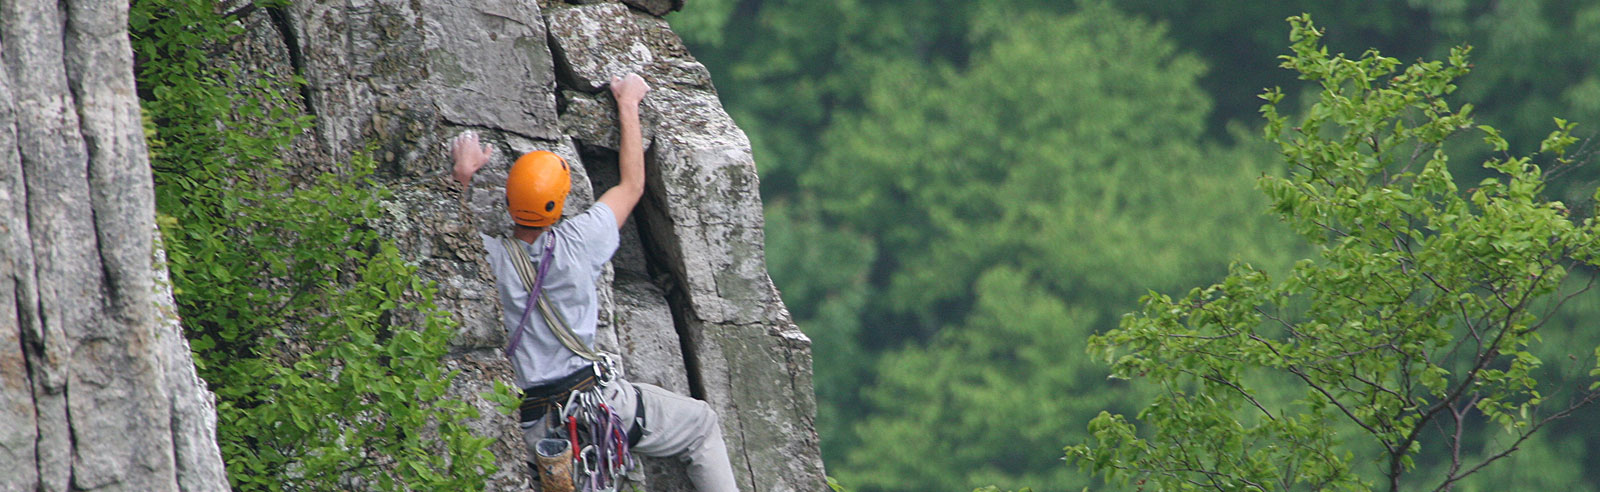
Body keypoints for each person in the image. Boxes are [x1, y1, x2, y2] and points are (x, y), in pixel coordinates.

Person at [449, 73, 738, 492]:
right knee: (701, 425)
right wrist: (628, 103)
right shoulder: (581, 242)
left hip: (534, 430)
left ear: (510, 200)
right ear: (559, 203)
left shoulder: (491, 258)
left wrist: (463, 175)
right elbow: (632, 185)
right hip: (596, 407)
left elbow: (449, 238)